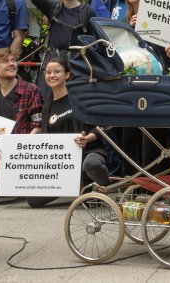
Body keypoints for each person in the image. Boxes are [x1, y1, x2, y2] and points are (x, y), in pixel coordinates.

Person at [26, 57, 110, 207]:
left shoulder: (79, 99)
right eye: (48, 72)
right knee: (33, 200)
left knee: (92, 164)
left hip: (88, 152)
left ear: (67, 75)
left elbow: (102, 125)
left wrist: (88, 139)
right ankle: (77, 188)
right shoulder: (47, 106)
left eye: (57, 72)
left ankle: (104, 188)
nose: (52, 75)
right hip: (62, 164)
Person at [0, 48, 42, 206]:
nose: (12, 64)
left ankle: (14, 183)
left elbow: (37, 128)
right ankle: (10, 184)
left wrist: (11, 156)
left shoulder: (31, 90)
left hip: (21, 158)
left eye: (13, 60)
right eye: (5, 61)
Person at [25, 0, 93, 98]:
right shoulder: (52, 7)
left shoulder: (88, 11)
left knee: (74, 104)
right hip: (52, 63)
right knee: (45, 100)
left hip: (76, 66)